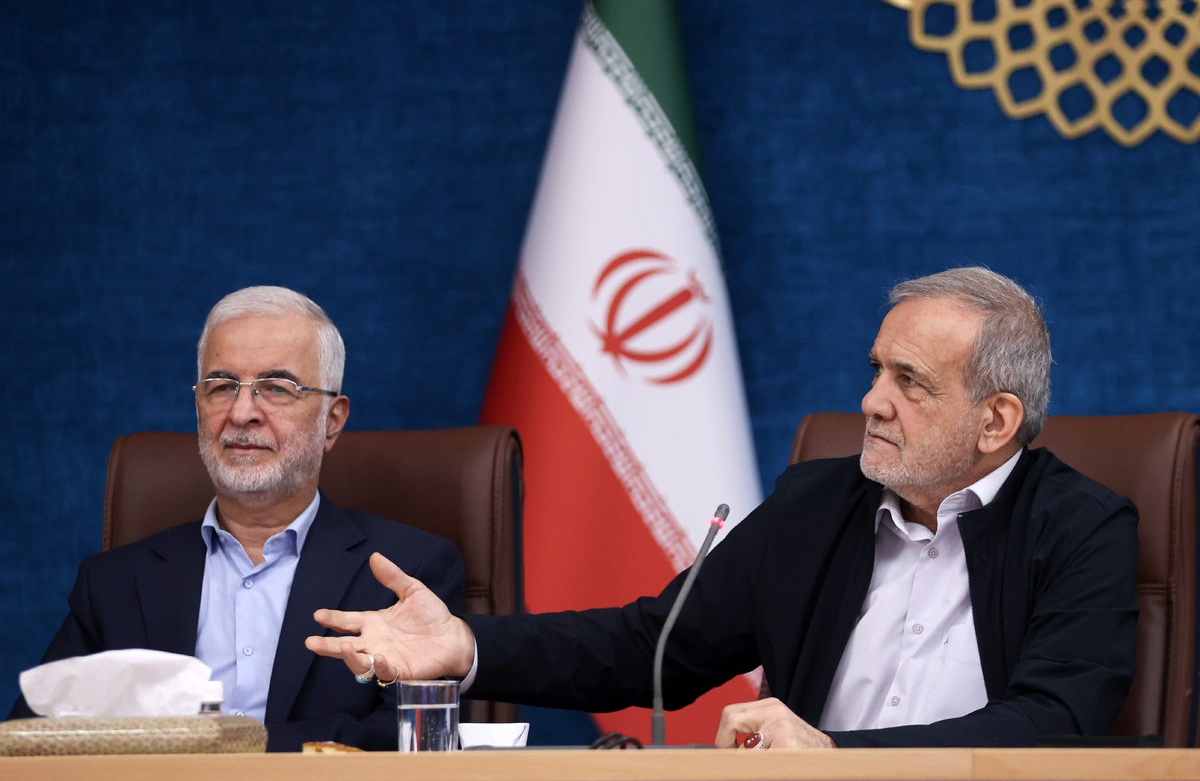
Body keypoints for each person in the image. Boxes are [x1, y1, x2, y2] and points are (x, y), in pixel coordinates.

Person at [306, 268, 1139, 748]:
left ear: (996, 421)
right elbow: (649, 648)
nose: (871, 401)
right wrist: (465, 644)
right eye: (877, 370)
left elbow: (1055, 722)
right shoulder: (818, 505)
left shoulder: (1081, 528)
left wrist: (831, 754)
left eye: (909, 382)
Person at [9, 286, 465, 752]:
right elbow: (33, 744)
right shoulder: (114, 584)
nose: (242, 413)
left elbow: (416, 739)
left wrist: (222, 751)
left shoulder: (407, 573)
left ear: (332, 420)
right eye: (222, 386)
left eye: (278, 388)